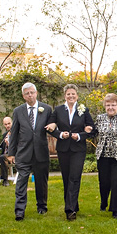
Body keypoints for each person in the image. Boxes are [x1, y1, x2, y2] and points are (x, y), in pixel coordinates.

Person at [45, 84, 95, 220]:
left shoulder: (83, 110)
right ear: (65, 96)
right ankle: (74, 205)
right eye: (68, 94)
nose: (71, 96)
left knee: (74, 177)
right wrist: (61, 135)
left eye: (73, 94)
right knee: (67, 178)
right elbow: (50, 127)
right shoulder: (58, 110)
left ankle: (70, 210)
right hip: (63, 149)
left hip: (78, 149)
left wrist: (79, 136)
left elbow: (92, 129)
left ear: (77, 96)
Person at [7, 82, 53, 221]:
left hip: (41, 152)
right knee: (21, 182)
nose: (30, 95)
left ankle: (42, 207)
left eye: (32, 92)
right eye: (27, 93)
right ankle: (19, 211)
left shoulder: (46, 109)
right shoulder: (18, 111)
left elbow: (52, 127)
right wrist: (11, 153)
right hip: (24, 153)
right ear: (23, 96)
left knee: (41, 182)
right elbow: (14, 133)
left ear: (36, 93)